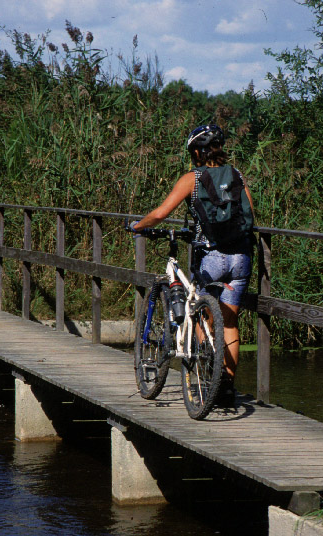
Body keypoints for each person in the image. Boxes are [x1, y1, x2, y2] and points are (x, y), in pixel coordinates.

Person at [128, 124, 255, 407]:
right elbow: (250, 214)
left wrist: (138, 227)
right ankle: (226, 388)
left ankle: (204, 379)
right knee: (229, 320)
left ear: (197, 152)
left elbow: (161, 213)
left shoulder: (193, 179)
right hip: (241, 256)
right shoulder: (237, 175)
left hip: (212, 256)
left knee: (198, 310)